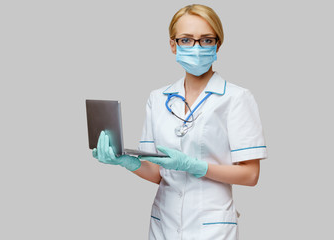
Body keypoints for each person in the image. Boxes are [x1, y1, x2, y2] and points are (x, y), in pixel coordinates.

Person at [92, 4, 267, 240]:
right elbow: (156, 172)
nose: (196, 47)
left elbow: (250, 175)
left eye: (206, 40)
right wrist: (126, 162)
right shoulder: (157, 98)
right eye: (186, 40)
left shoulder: (236, 98)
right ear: (173, 45)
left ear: (218, 44)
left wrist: (195, 166)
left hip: (212, 227)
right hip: (164, 222)